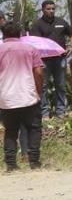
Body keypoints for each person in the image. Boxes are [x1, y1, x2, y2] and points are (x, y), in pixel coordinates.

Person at [1, 21, 45, 170]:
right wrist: (39, 91)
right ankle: (34, 162)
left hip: (6, 98)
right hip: (28, 96)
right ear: (19, 34)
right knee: (34, 128)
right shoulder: (30, 49)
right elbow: (38, 73)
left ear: (3, 34)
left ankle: (11, 164)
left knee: (10, 131)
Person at [29, 0, 72, 118]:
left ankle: (60, 112)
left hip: (60, 59)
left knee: (61, 85)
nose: (51, 11)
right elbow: (35, 43)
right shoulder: (37, 24)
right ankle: (44, 113)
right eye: (48, 9)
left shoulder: (61, 22)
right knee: (43, 86)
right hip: (44, 60)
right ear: (43, 10)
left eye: (53, 9)